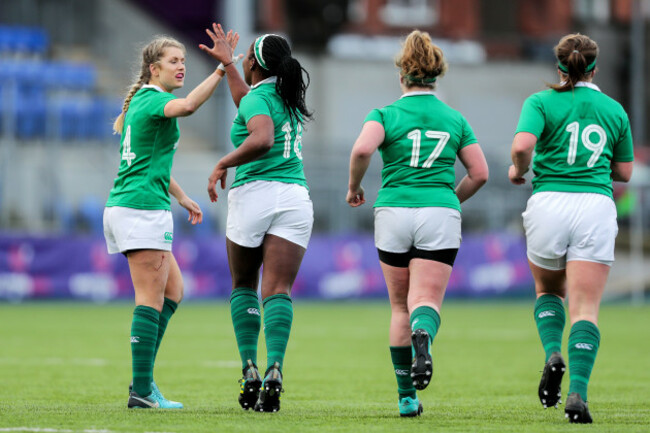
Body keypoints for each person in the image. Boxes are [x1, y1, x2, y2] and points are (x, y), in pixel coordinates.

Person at [346, 30, 488, 417]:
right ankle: (424, 333)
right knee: (425, 302)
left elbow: (362, 148)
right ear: (437, 75)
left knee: (398, 308)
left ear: (402, 75)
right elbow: (479, 173)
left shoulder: (385, 114)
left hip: (393, 212)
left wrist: (354, 186)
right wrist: (448, 200)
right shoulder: (454, 118)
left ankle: (407, 398)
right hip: (438, 213)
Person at [104, 30, 240, 409]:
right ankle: (142, 390)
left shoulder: (143, 101)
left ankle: (142, 382)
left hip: (135, 204)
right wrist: (222, 69)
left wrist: (181, 196)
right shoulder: (152, 100)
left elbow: (150, 163)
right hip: (140, 208)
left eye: (183, 61)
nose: (181, 67)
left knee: (172, 292)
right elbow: (188, 107)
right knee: (149, 297)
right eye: (173, 61)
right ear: (154, 68)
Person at [509, 33, 634, 424]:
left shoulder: (540, 101)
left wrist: (518, 170)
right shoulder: (613, 109)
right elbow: (625, 172)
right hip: (595, 206)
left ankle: (552, 353)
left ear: (559, 65)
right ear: (594, 67)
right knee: (586, 306)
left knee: (548, 289)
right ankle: (577, 394)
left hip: (550, 203)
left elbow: (521, 147)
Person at [203, 25, 314, 413]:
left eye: (246, 54)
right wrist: (229, 65)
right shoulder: (286, 97)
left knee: (245, 283)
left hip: (255, 194)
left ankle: (249, 366)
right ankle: (275, 368)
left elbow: (261, 136)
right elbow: (246, 102)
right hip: (295, 198)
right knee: (278, 289)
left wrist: (222, 162)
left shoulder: (258, 101)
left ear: (255, 62)